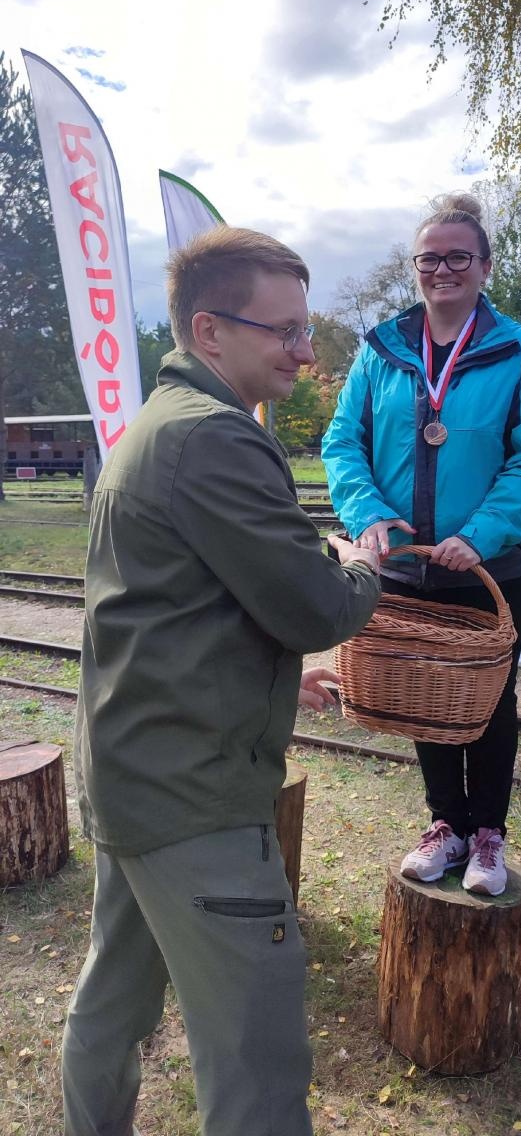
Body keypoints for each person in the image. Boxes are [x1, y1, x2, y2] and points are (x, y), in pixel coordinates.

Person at [62, 226, 381, 1136]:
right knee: (258, 1055)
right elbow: (316, 605)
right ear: (210, 331)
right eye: (281, 330)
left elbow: (180, 610)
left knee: (112, 1008)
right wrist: (361, 563)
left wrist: (281, 679)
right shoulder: (216, 441)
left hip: (136, 776)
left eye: (303, 327)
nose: (304, 351)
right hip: (196, 800)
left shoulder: (155, 428)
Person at [322, 192, 521, 897]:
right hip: (404, 564)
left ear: (485, 266)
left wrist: (477, 536)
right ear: (416, 268)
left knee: (489, 699)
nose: (443, 269)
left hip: (491, 568)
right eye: (430, 257)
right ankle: (444, 825)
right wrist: (367, 512)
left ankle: (487, 833)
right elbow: (344, 442)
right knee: (424, 695)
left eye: (459, 256)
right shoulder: (381, 349)